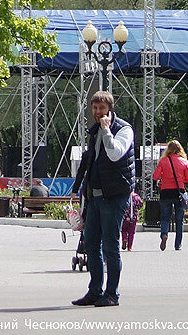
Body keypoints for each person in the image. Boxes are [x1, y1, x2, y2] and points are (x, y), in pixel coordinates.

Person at [70, 90, 135, 308]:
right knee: (90, 244)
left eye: (102, 109)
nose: (98, 113)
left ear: (110, 109)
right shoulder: (94, 131)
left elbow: (116, 154)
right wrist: (78, 190)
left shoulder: (123, 130)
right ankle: (95, 290)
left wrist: (107, 131)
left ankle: (112, 294)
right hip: (95, 196)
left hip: (114, 196)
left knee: (110, 246)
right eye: (95, 108)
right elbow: (90, 162)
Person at [152, 139, 188, 252]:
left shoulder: (163, 161)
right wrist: (180, 179)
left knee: (165, 218)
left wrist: (163, 178)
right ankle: (178, 244)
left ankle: (164, 235)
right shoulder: (184, 162)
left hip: (165, 192)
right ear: (180, 149)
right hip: (179, 192)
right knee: (179, 220)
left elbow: (155, 177)